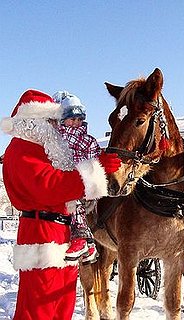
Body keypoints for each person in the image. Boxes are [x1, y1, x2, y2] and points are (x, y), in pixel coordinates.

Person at [0, 89, 121, 320]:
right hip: (42, 234)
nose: (57, 127)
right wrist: (97, 169)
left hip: (60, 232)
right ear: (33, 121)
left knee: (61, 308)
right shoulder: (22, 149)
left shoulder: (43, 150)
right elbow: (51, 186)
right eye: (51, 120)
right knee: (39, 309)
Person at [53, 90, 101, 264]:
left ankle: (80, 238)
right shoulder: (55, 138)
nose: (76, 123)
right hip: (62, 179)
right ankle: (89, 245)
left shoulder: (88, 140)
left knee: (74, 200)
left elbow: (95, 159)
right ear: (62, 120)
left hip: (82, 181)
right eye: (72, 119)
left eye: (79, 119)